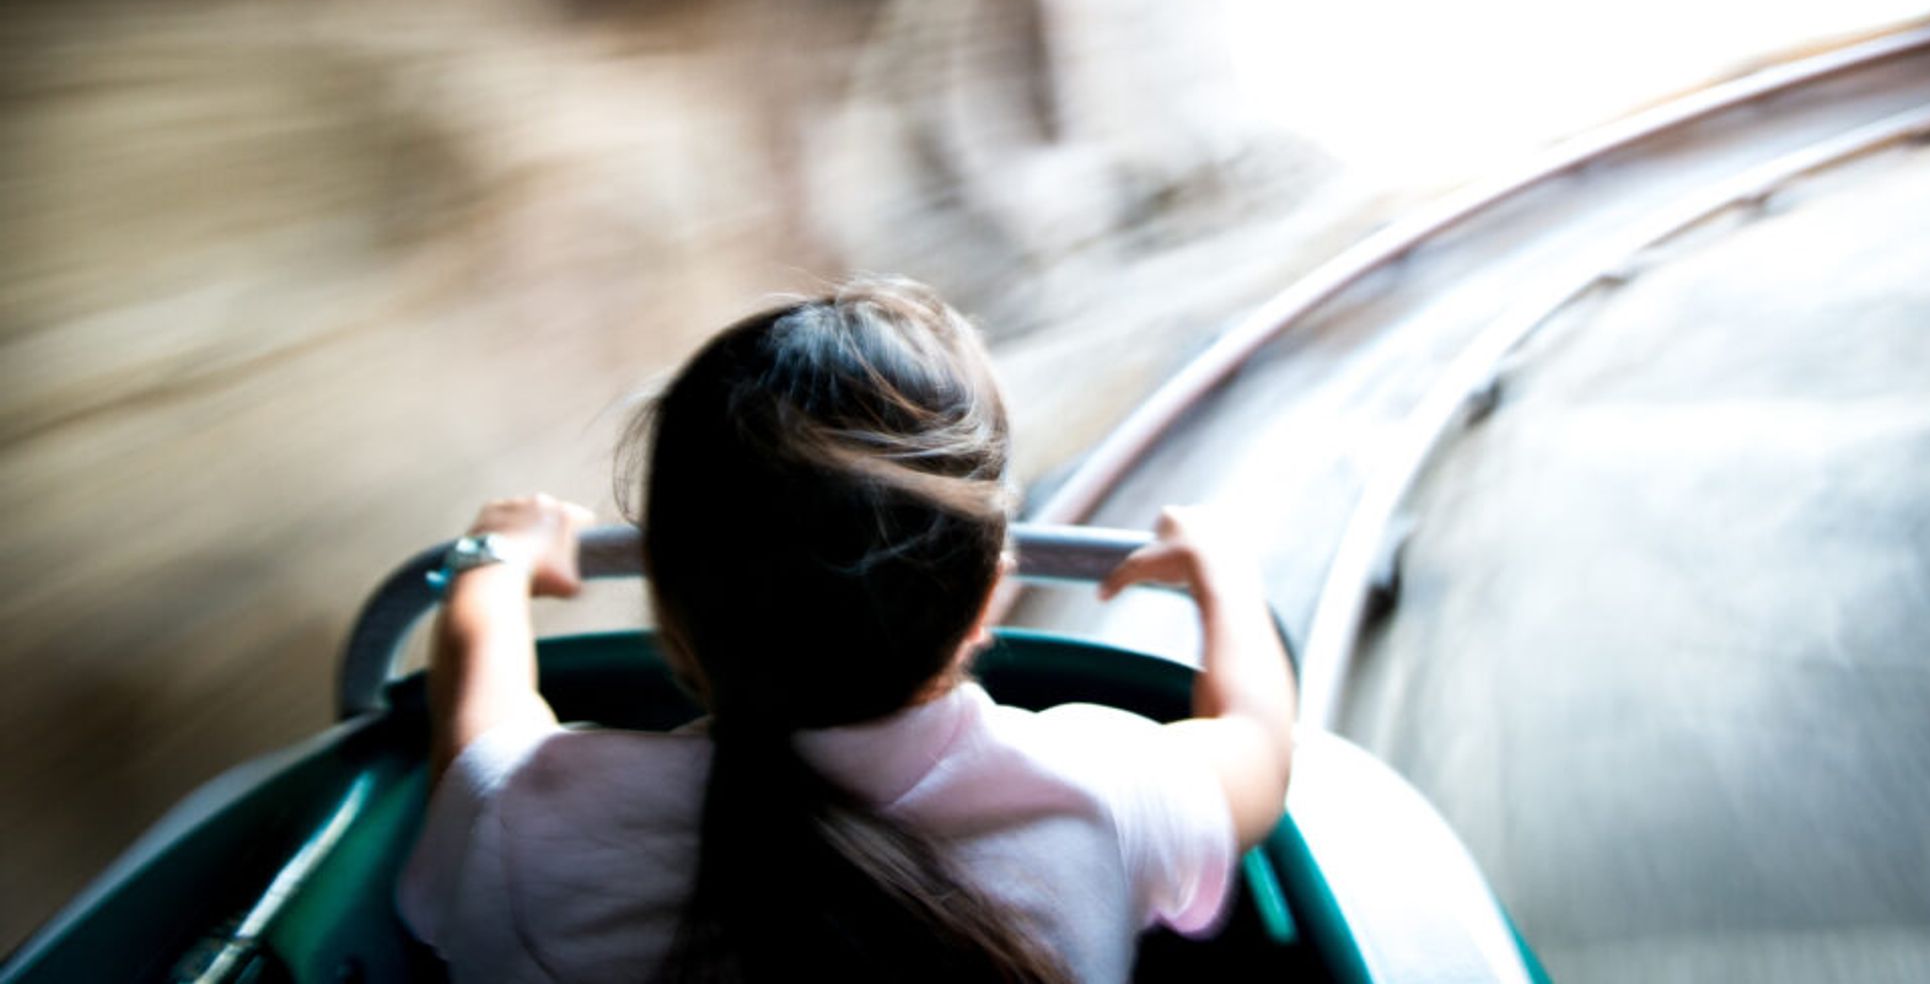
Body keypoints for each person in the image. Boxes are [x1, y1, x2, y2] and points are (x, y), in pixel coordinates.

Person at [399, 277, 1296, 983]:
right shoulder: (1106, 789)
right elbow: (1256, 738)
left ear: (667, 604)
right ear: (987, 597)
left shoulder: (526, 816)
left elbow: (479, 707)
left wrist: (496, 560)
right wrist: (1223, 576)